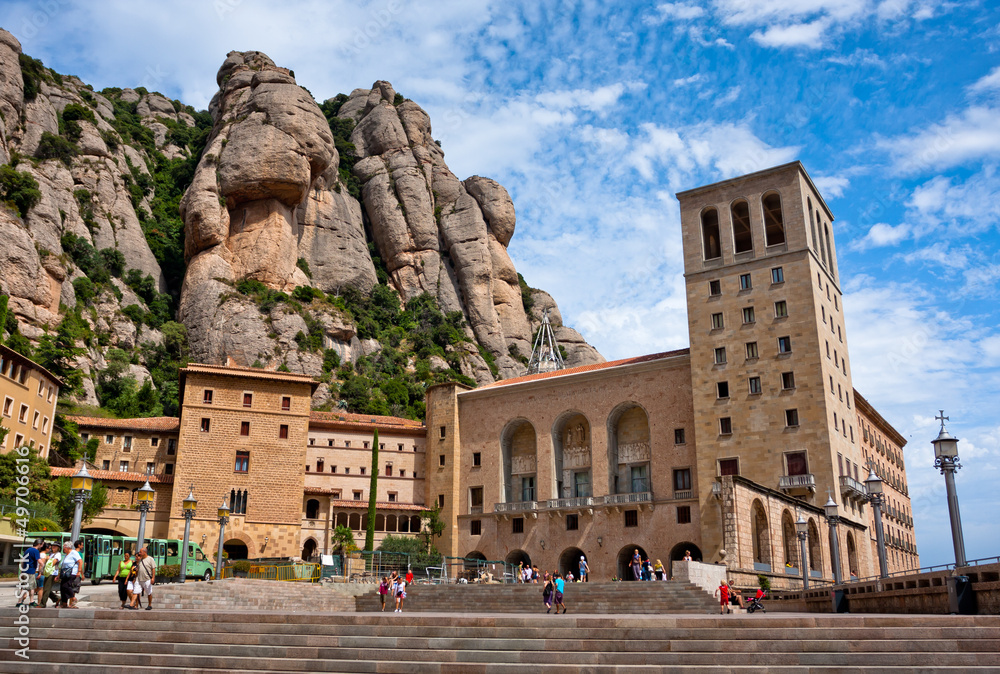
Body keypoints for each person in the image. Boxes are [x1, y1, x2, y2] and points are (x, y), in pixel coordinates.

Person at [18, 539, 42, 608]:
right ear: (39, 544)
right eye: (41, 544)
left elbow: (22, 561)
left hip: (25, 571)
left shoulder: (27, 550)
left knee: (23, 587)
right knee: (31, 588)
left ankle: (19, 602)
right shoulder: (36, 551)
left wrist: (22, 570)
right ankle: (31, 601)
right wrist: (43, 565)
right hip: (31, 571)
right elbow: (40, 561)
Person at [59, 541, 82, 609]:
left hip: (72, 573)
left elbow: (80, 561)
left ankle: (73, 598)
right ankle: (64, 603)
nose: (63, 549)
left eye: (64, 547)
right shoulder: (66, 554)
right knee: (62, 587)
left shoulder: (74, 553)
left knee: (66, 586)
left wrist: (79, 571)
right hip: (65, 573)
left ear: (68, 547)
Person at [133, 546, 156, 610]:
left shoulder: (150, 559)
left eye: (140, 552)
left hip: (147, 579)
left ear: (144, 552)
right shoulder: (141, 560)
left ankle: (149, 604)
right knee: (136, 592)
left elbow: (153, 569)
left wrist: (153, 578)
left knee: (149, 592)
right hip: (139, 579)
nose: (139, 553)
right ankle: (133, 605)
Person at [39, 543, 61, 608]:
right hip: (48, 572)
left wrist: (47, 559)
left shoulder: (58, 554)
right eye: (53, 546)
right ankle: (56, 598)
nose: (53, 547)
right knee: (46, 588)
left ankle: (42, 604)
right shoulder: (51, 554)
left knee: (46, 588)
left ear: (58, 548)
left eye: (55, 546)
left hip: (52, 572)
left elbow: (53, 563)